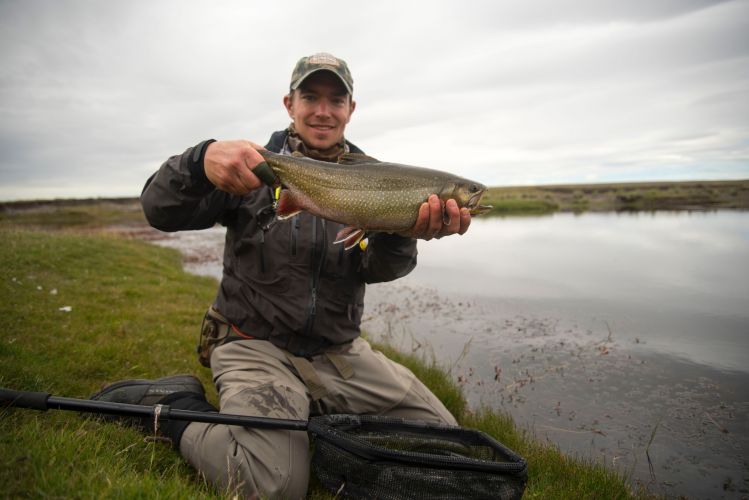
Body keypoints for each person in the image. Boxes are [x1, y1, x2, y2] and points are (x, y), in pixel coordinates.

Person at [92, 52, 472, 499]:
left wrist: (401, 230)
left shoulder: (379, 178)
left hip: (339, 353)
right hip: (254, 343)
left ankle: (309, 421)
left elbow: (380, 269)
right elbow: (159, 211)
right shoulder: (251, 166)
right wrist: (200, 160)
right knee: (272, 485)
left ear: (352, 109)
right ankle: (173, 409)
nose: (323, 110)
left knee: (450, 449)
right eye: (311, 96)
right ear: (289, 104)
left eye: (336, 99)